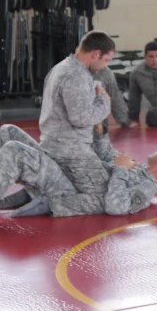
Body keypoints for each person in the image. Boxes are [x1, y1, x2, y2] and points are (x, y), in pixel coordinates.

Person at [0, 124, 157, 230]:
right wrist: (100, 133)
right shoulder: (137, 169)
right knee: (8, 132)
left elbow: (116, 206)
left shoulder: (145, 187)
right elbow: (102, 160)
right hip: (70, 173)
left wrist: (121, 169)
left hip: (66, 191)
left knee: (15, 151)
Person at [38, 30, 116, 196]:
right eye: (106, 60)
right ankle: (49, 198)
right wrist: (104, 102)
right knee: (109, 192)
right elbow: (81, 118)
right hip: (71, 152)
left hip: (56, 145)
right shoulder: (76, 74)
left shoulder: (61, 67)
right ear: (96, 54)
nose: (106, 65)